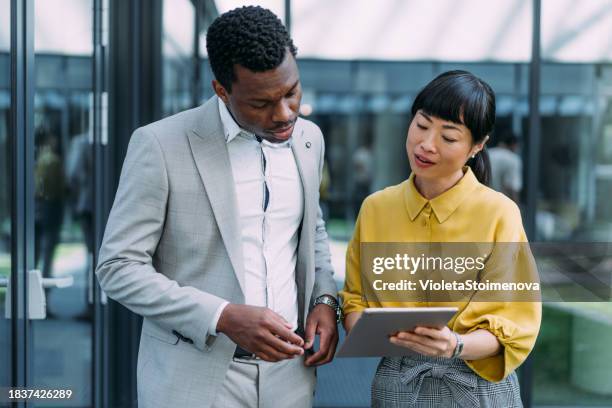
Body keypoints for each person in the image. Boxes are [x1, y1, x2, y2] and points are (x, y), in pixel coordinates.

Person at [96, 6, 339, 408]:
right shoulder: (160, 145)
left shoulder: (309, 139)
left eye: (292, 92)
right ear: (222, 90)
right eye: (261, 103)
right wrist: (222, 315)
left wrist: (325, 300)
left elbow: (312, 231)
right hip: (196, 380)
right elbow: (118, 267)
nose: (284, 114)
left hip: (291, 377)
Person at [340, 71, 541, 407]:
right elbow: (355, 298)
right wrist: (367, 330)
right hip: (397, 383)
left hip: (475, 384)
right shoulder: (376, 208)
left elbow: (515, 322)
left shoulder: (499, 213)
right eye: (421, 125)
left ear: (477, 146)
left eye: (448, 137)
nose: (426, 144)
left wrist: (454, 345)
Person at [489, 130, 522, 203]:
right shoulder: (513, 159)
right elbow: (512, 187)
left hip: (481, 200)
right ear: (514, 144)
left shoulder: (488, 154)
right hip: (500, 204)